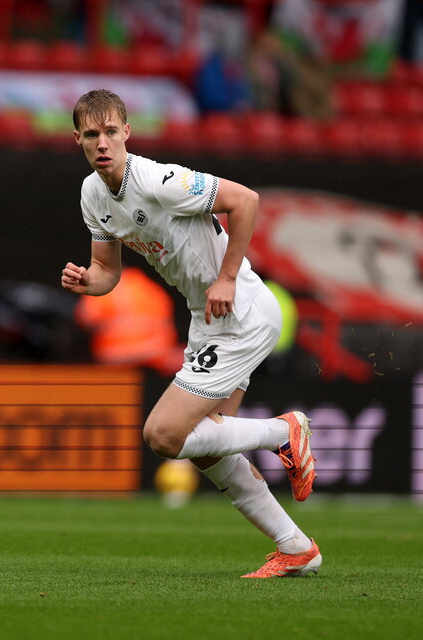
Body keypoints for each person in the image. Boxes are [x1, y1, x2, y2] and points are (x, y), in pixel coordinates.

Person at [61, 89, 320, 578]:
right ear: (77, 139)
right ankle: (297, 547)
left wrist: (225, 277)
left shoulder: (158, 179)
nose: (102, 142)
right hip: (209, 320)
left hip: (240, 311)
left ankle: (283, 431)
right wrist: (85, 282)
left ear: (127, 133)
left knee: (162, 434)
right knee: (207, 447)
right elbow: (106, 272)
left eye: (111, 131)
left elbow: (245, 201)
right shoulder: (92, 194)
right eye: (92, 134)